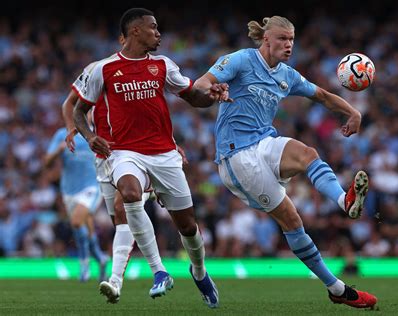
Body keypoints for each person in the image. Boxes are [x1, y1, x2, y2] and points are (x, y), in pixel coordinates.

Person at [194, 16, 377, 308]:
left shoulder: (287, 75)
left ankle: (344, 201)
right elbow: (203, 82)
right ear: (266, 39)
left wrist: (352, 111)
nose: (288, 45)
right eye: (282, 38)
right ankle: (336, 288)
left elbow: (323, 95)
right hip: (235, 156)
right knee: (292, 221)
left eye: (291, 40)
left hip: (264, 141)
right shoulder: (240, 60)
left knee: (308, 154)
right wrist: (211, 89)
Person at [73, 8, 228, 308]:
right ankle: (159, 272)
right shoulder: (103, 69)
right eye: (153, 28)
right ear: (135, 32)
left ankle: (199, 271)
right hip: (124, 152)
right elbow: (80, 111)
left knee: (187, 226)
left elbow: (191, 96)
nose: (159, 33)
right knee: (129, 194)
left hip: (164, 154)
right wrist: (90, 136)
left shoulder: (162, 65)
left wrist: (211, 96)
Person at [44, 127, 109, 282]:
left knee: (76, 221)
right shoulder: (61, 134)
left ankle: (84, 264)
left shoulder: (97, 132)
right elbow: (47, 162)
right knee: (86, 227)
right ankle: (100, 258)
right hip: (69, 191)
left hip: (92, 187)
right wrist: (59, 150)